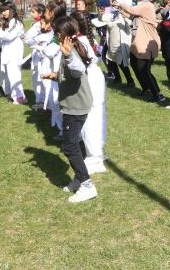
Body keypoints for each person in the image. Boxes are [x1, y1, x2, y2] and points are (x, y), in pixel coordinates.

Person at [52, 16, 98, 203]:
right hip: (73, 104)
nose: (55, 36)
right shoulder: (68, 51)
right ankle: (79, 178)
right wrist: (54, 76)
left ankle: (87, 185)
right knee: (73, 143)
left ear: (66, 36)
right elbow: (68, 74)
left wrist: (68, 55)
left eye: (57, 33)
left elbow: (78, 70)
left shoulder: (71, 52)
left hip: (76, 106)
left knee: (69, 146)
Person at [71, 11, 108, 174]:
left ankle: (95, 158)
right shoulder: (86, 38)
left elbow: (80, 65)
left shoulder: (80, 41)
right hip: (94, 78)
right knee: (97, 117)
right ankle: (97, 152)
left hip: (90, 80)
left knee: (90, 120)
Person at [114, 0, 163, 102]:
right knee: (136, 66)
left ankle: (158, 94)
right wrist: (120, 10)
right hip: (138, 43)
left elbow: (133, 10)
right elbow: (133, 16)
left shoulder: (147, 5)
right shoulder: (142, 5)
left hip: (146, 43)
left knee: (145, 70)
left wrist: (120, 4)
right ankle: (146, 88)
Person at [93, 0, 135, 87]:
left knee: (121, 62)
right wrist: (101, 14)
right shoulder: (111, 13)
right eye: (113, 2)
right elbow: (101, 20)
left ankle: (130, 80)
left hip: (120, 41)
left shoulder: (122, 14)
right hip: (111, 41)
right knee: (110, 59)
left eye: (115, 2)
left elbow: (129, 23)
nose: (113, 4)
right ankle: (117, 77)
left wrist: (123, 13)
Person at [0, 2, 27, 104]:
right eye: (2, 11)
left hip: (15, 54)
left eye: (5, 10)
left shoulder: (17, 23)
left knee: (14, 76)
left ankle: (20, 97)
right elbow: (0, 39)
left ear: (12, 10)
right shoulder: (5, 23)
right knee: (4, 75)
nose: (3, 13)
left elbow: (9, 36)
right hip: (6, 53)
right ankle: (9, 93)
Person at [23, 3, 47, 109]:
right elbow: (27, 38)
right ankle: (40, 100)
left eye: (33, 12)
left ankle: (42, 101)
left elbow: (28, 38)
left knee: (39, 77)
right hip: (35, 52)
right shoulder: (35, 24)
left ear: (40, 13)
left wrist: (30, 41)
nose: (31, 14)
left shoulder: (42, 24)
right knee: (36, 76)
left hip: (41, 53)